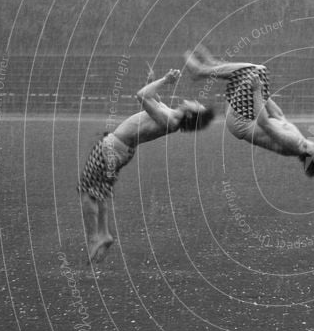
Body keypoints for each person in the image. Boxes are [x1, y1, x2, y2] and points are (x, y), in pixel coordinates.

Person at [78, 68, 215, 263]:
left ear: (191, 115)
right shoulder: (172, 115)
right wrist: (153, 80)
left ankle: (94, 237)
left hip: (112, 149)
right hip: (117, 150)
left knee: (87, 192)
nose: (196, 102)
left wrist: (166, 80)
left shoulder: (171, 120)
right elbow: (154, 101)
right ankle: (104, 234)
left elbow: (142, 96)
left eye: (198, 106)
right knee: (98, 191)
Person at [184, 46, 314, 176]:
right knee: (250, 72)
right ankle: (212, 66)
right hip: (244, 117)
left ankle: (202, 70)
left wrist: (257, 91)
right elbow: (278, 115)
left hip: (240, 122)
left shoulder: (294, 144)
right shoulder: (301, 142)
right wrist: (263, 95)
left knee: (256, 71)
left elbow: (265, 123)